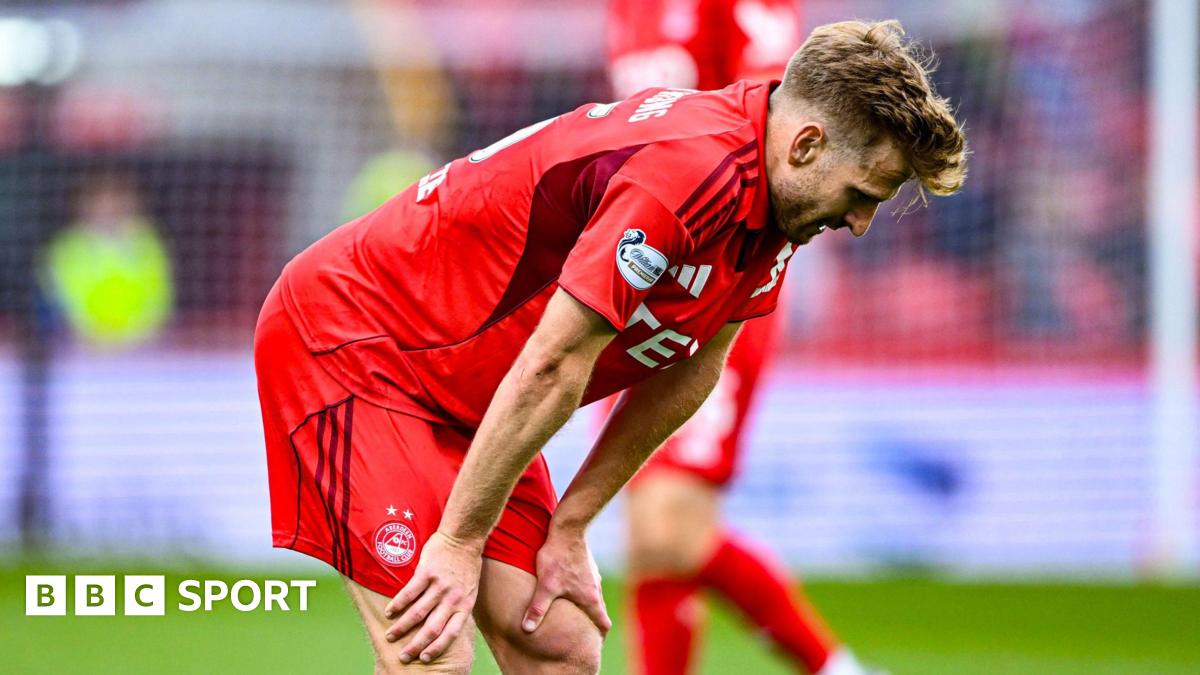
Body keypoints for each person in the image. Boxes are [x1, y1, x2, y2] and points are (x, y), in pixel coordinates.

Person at [254, 19, 965, 674]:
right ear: (806, 144)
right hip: (355, 345)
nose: (861, 223)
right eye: (863, 195)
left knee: (562, 647)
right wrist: (460, 540)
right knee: (431, 652)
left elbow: (692, 369)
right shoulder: (687, 173)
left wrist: (571, 525)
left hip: (466, 392)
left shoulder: (778, 199)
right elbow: (555, 362)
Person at [606, 2, 869, 673]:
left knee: (670, 522)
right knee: (653, 537)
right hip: (640, 272)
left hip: (721, 278)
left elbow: (785, 129)